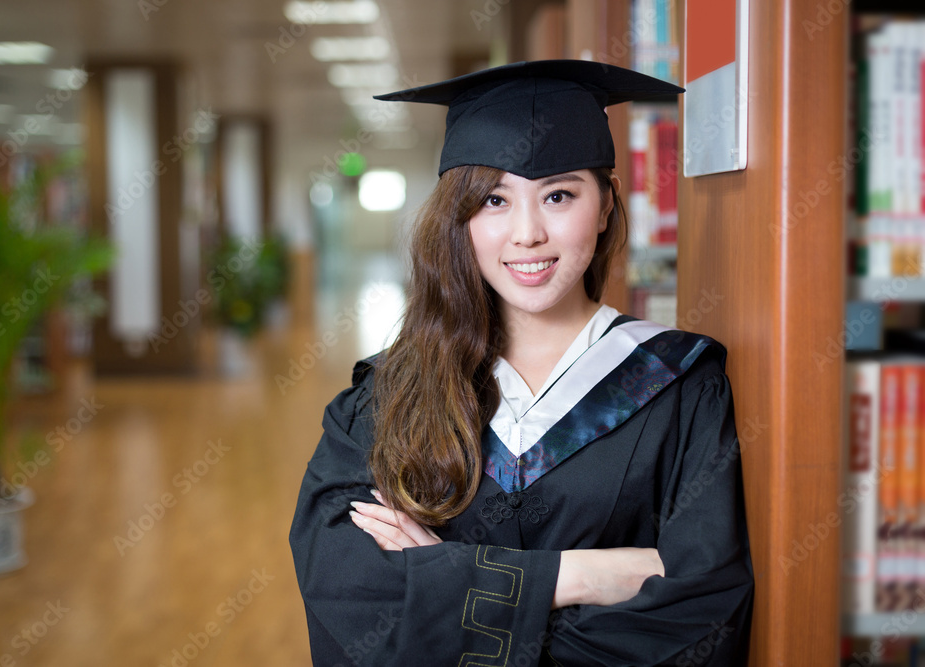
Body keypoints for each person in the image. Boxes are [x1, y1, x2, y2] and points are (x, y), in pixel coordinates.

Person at [289, 60, 753, 666]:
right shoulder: (388, 394)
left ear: (607, 205)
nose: (527, 233)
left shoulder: (680, 385)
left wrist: (444, 582)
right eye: (494, 200)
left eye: (559, 195)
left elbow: (700, 615)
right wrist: (578, 577)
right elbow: (345, 591)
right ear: (459, 220)